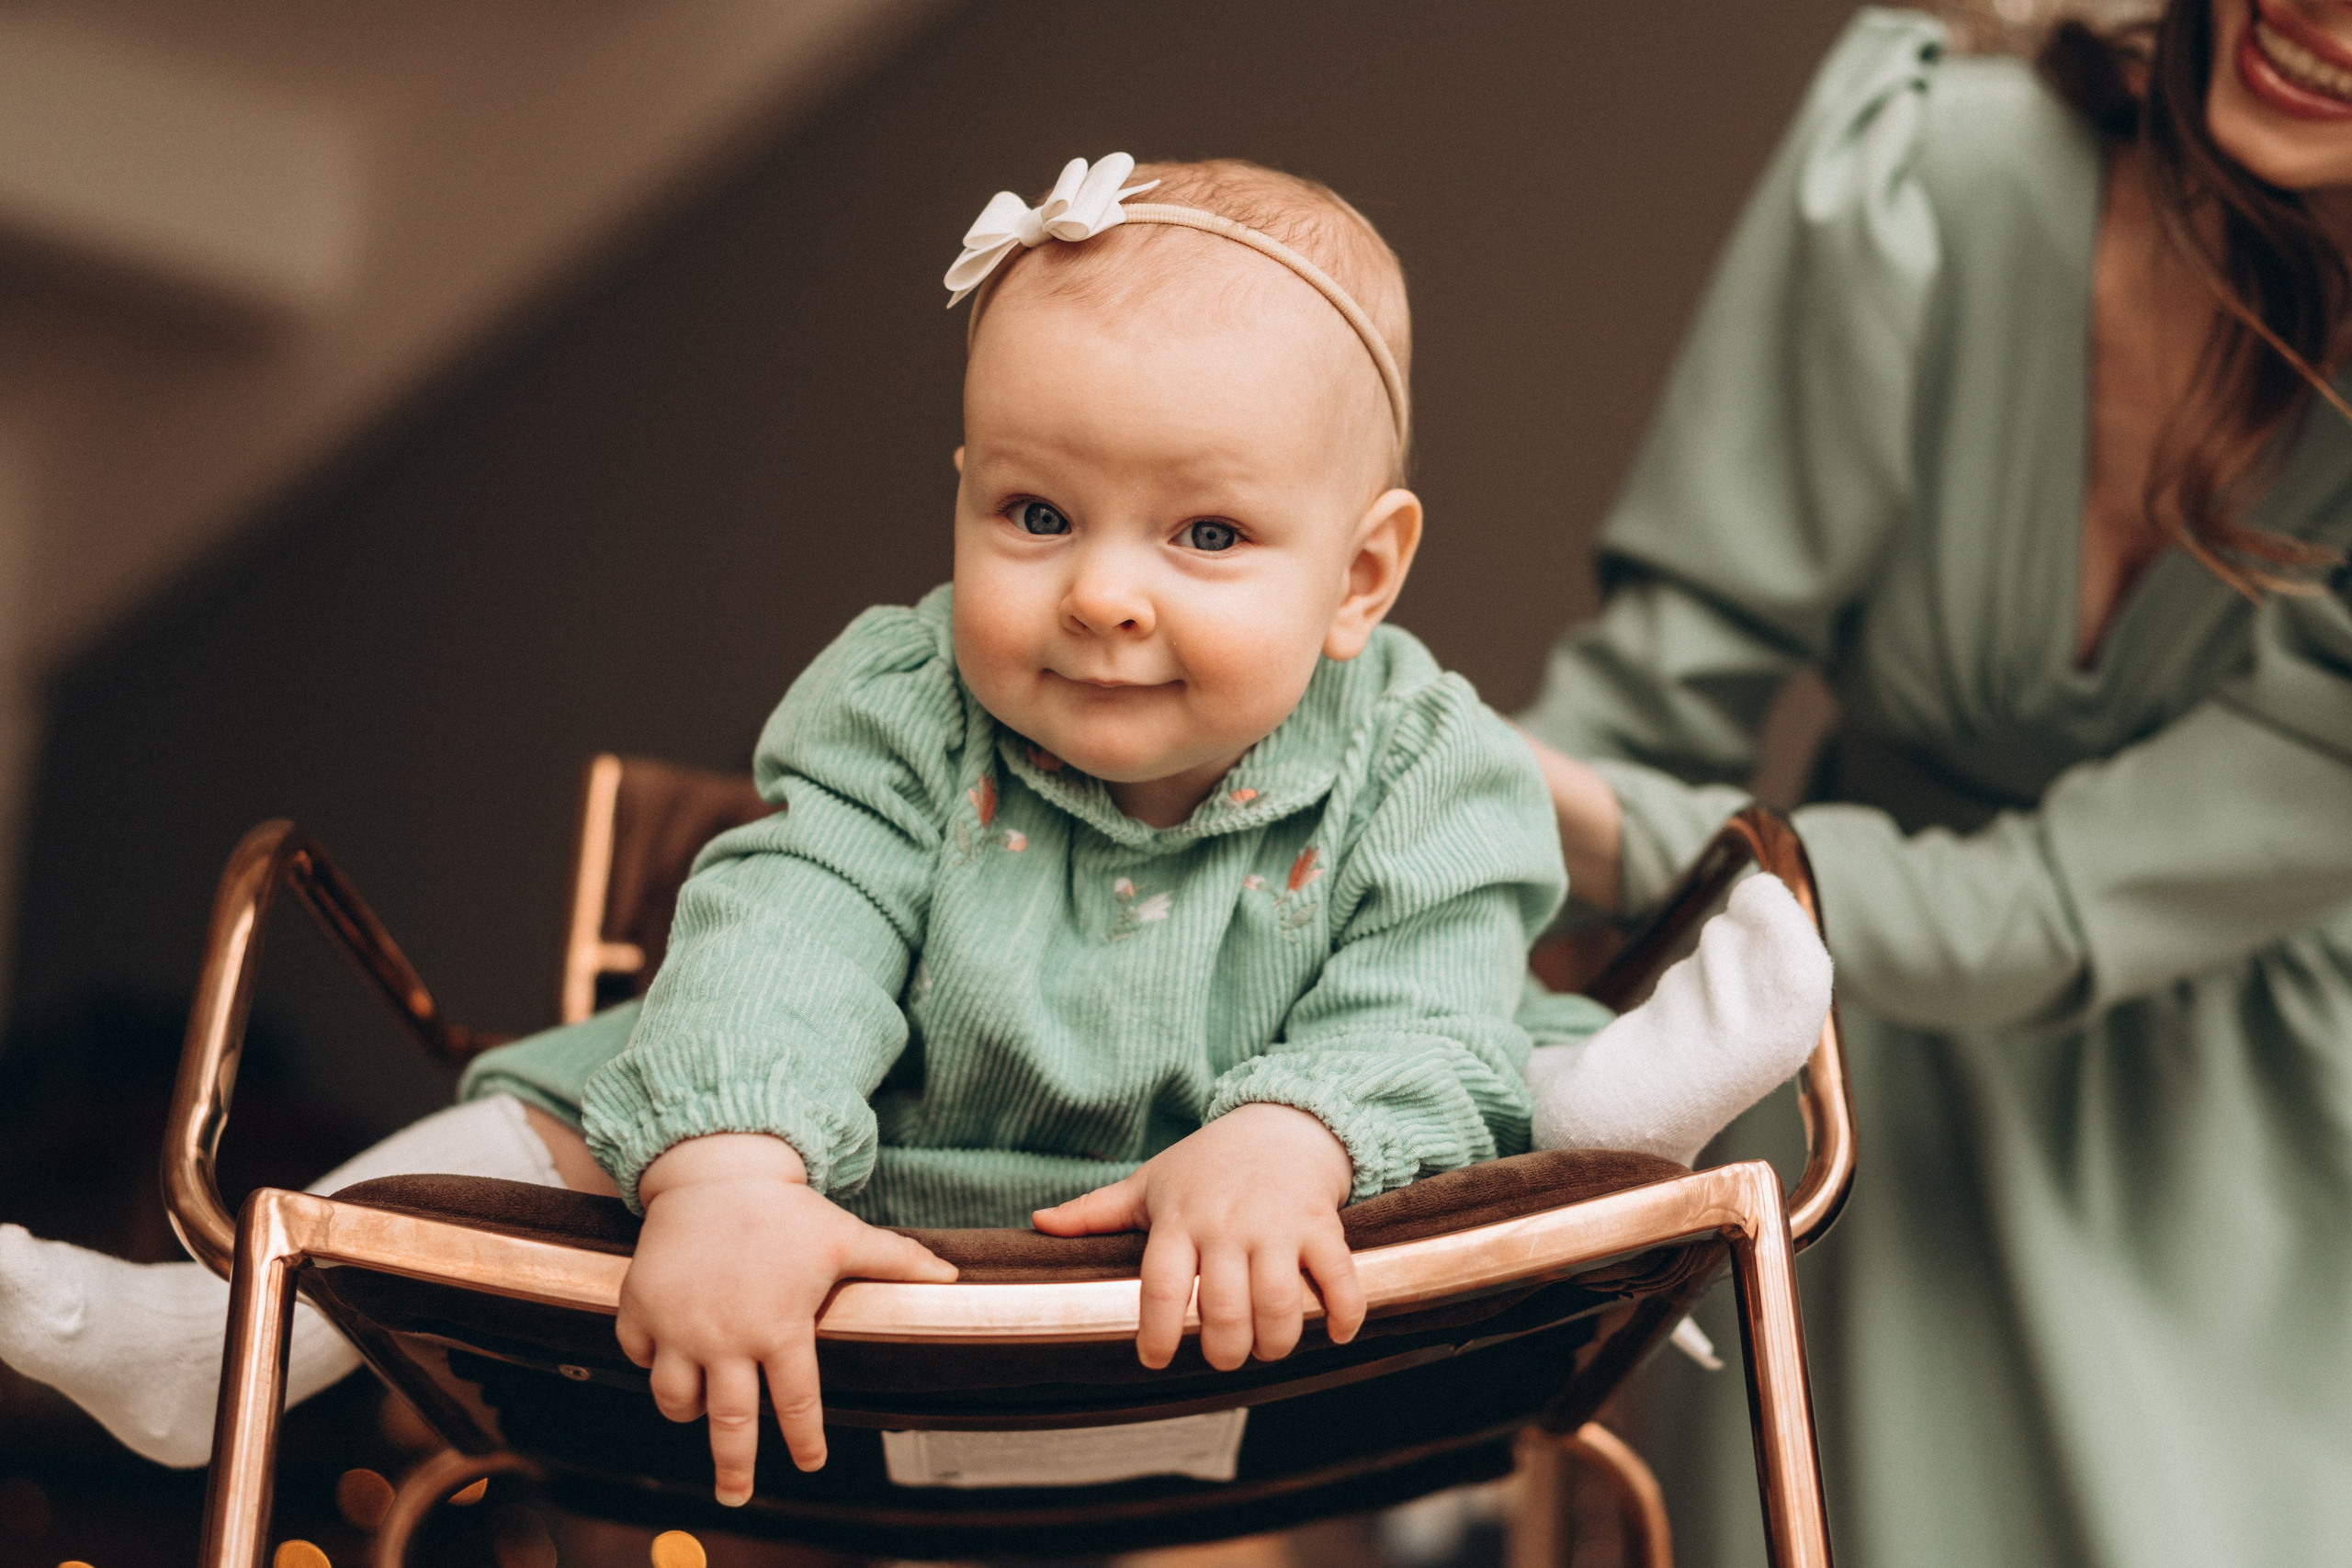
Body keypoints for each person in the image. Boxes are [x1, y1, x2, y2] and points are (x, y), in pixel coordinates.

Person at [0, 155, 1832, 1495]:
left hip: (1246, 1218)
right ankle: (224, 1336)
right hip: (861, 1186)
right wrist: (731, 1170)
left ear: (1360, 576)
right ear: (963, 492)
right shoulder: (901, 700)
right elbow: (787, 917)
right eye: (1036, 514)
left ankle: (1599, 1124)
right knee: (553, 1122)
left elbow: (1420, 983)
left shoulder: (1429, 756)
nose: (1100, 592)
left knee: (1463, 1067)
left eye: (1204, 534)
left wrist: (1295, 1132)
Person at [1514, 6, 2352, 1565]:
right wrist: (1386, 878)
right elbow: (1653, 698)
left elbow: (2044, 911)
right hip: (1859, 1104)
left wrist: (1582, 817)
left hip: (2260, 1176)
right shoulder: (1931, 172)